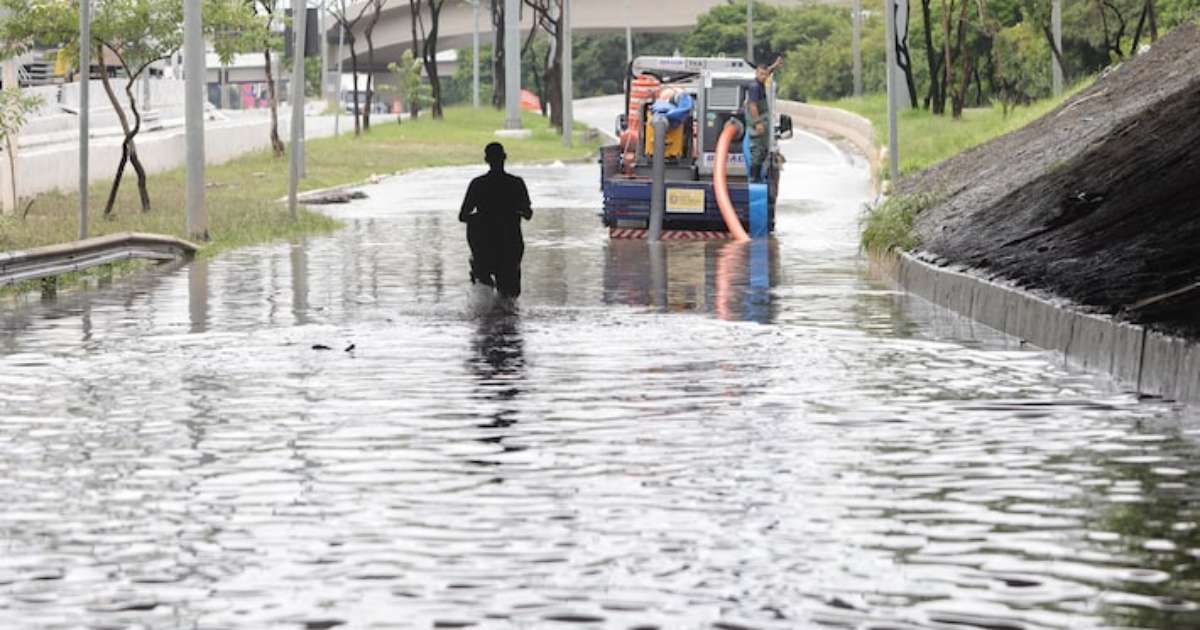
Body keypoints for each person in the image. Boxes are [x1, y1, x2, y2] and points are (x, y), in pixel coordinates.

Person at [459, 142, 533, 299]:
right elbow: (528, 214)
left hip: (484, 244)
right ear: (504, 158)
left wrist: (482, 218)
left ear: (486, 160)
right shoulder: (516, 183)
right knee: (509, 294)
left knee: (484, 285)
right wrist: (512, 213)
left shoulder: (477, 184)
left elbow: (463, 216)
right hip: (510, 242)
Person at [744, 57, 783, 182]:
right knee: (757, 151)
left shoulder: (761, 83)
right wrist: (758, 123)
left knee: (763, 151)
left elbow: (767, 71)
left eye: (765, 74)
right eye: (761, 74)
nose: (764, 76)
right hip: (757, 125)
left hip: (763, 126)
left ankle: (758, 176)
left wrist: (774, 66)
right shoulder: (755, 87)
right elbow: (753, 106)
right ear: (756, 73)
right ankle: (754, 177)